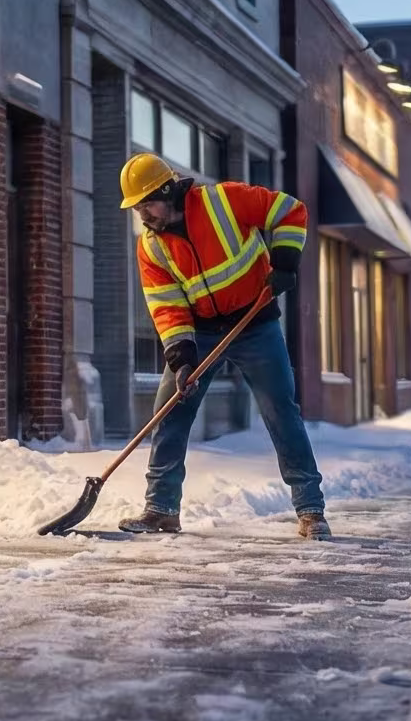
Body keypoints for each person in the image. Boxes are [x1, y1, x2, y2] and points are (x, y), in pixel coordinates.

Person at [112, 154, 333, 540]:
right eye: (137, 208)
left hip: (256, 321)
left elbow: (290, 211)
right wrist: (181, 359)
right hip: (202, 330)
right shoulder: (151, 247)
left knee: (280, 411)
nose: (143, 214)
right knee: (170, 409)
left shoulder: (224, 201)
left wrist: (284, 261)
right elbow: (166, 305)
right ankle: (161, 508)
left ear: (168, 192)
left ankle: (310, 508)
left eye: (147, 203)